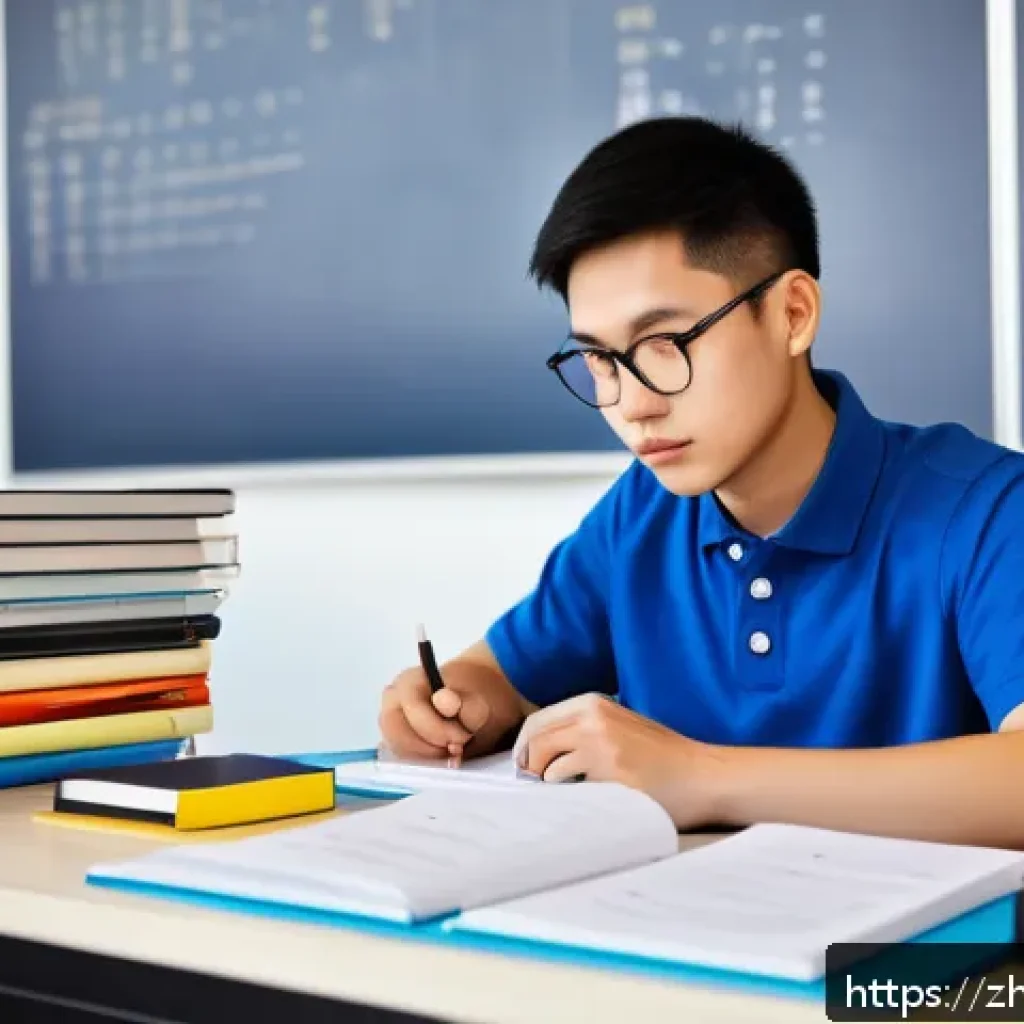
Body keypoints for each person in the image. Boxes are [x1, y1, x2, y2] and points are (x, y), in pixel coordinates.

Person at [378, 115, 1024, 847]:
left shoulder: (986, 510)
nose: (632, 402)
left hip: (918, 961)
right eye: (598, 359)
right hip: (678, 946)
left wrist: (704, 776)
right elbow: (498, 677)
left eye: (666, 343)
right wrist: (453, 702)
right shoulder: (641, 513)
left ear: (792, 314)